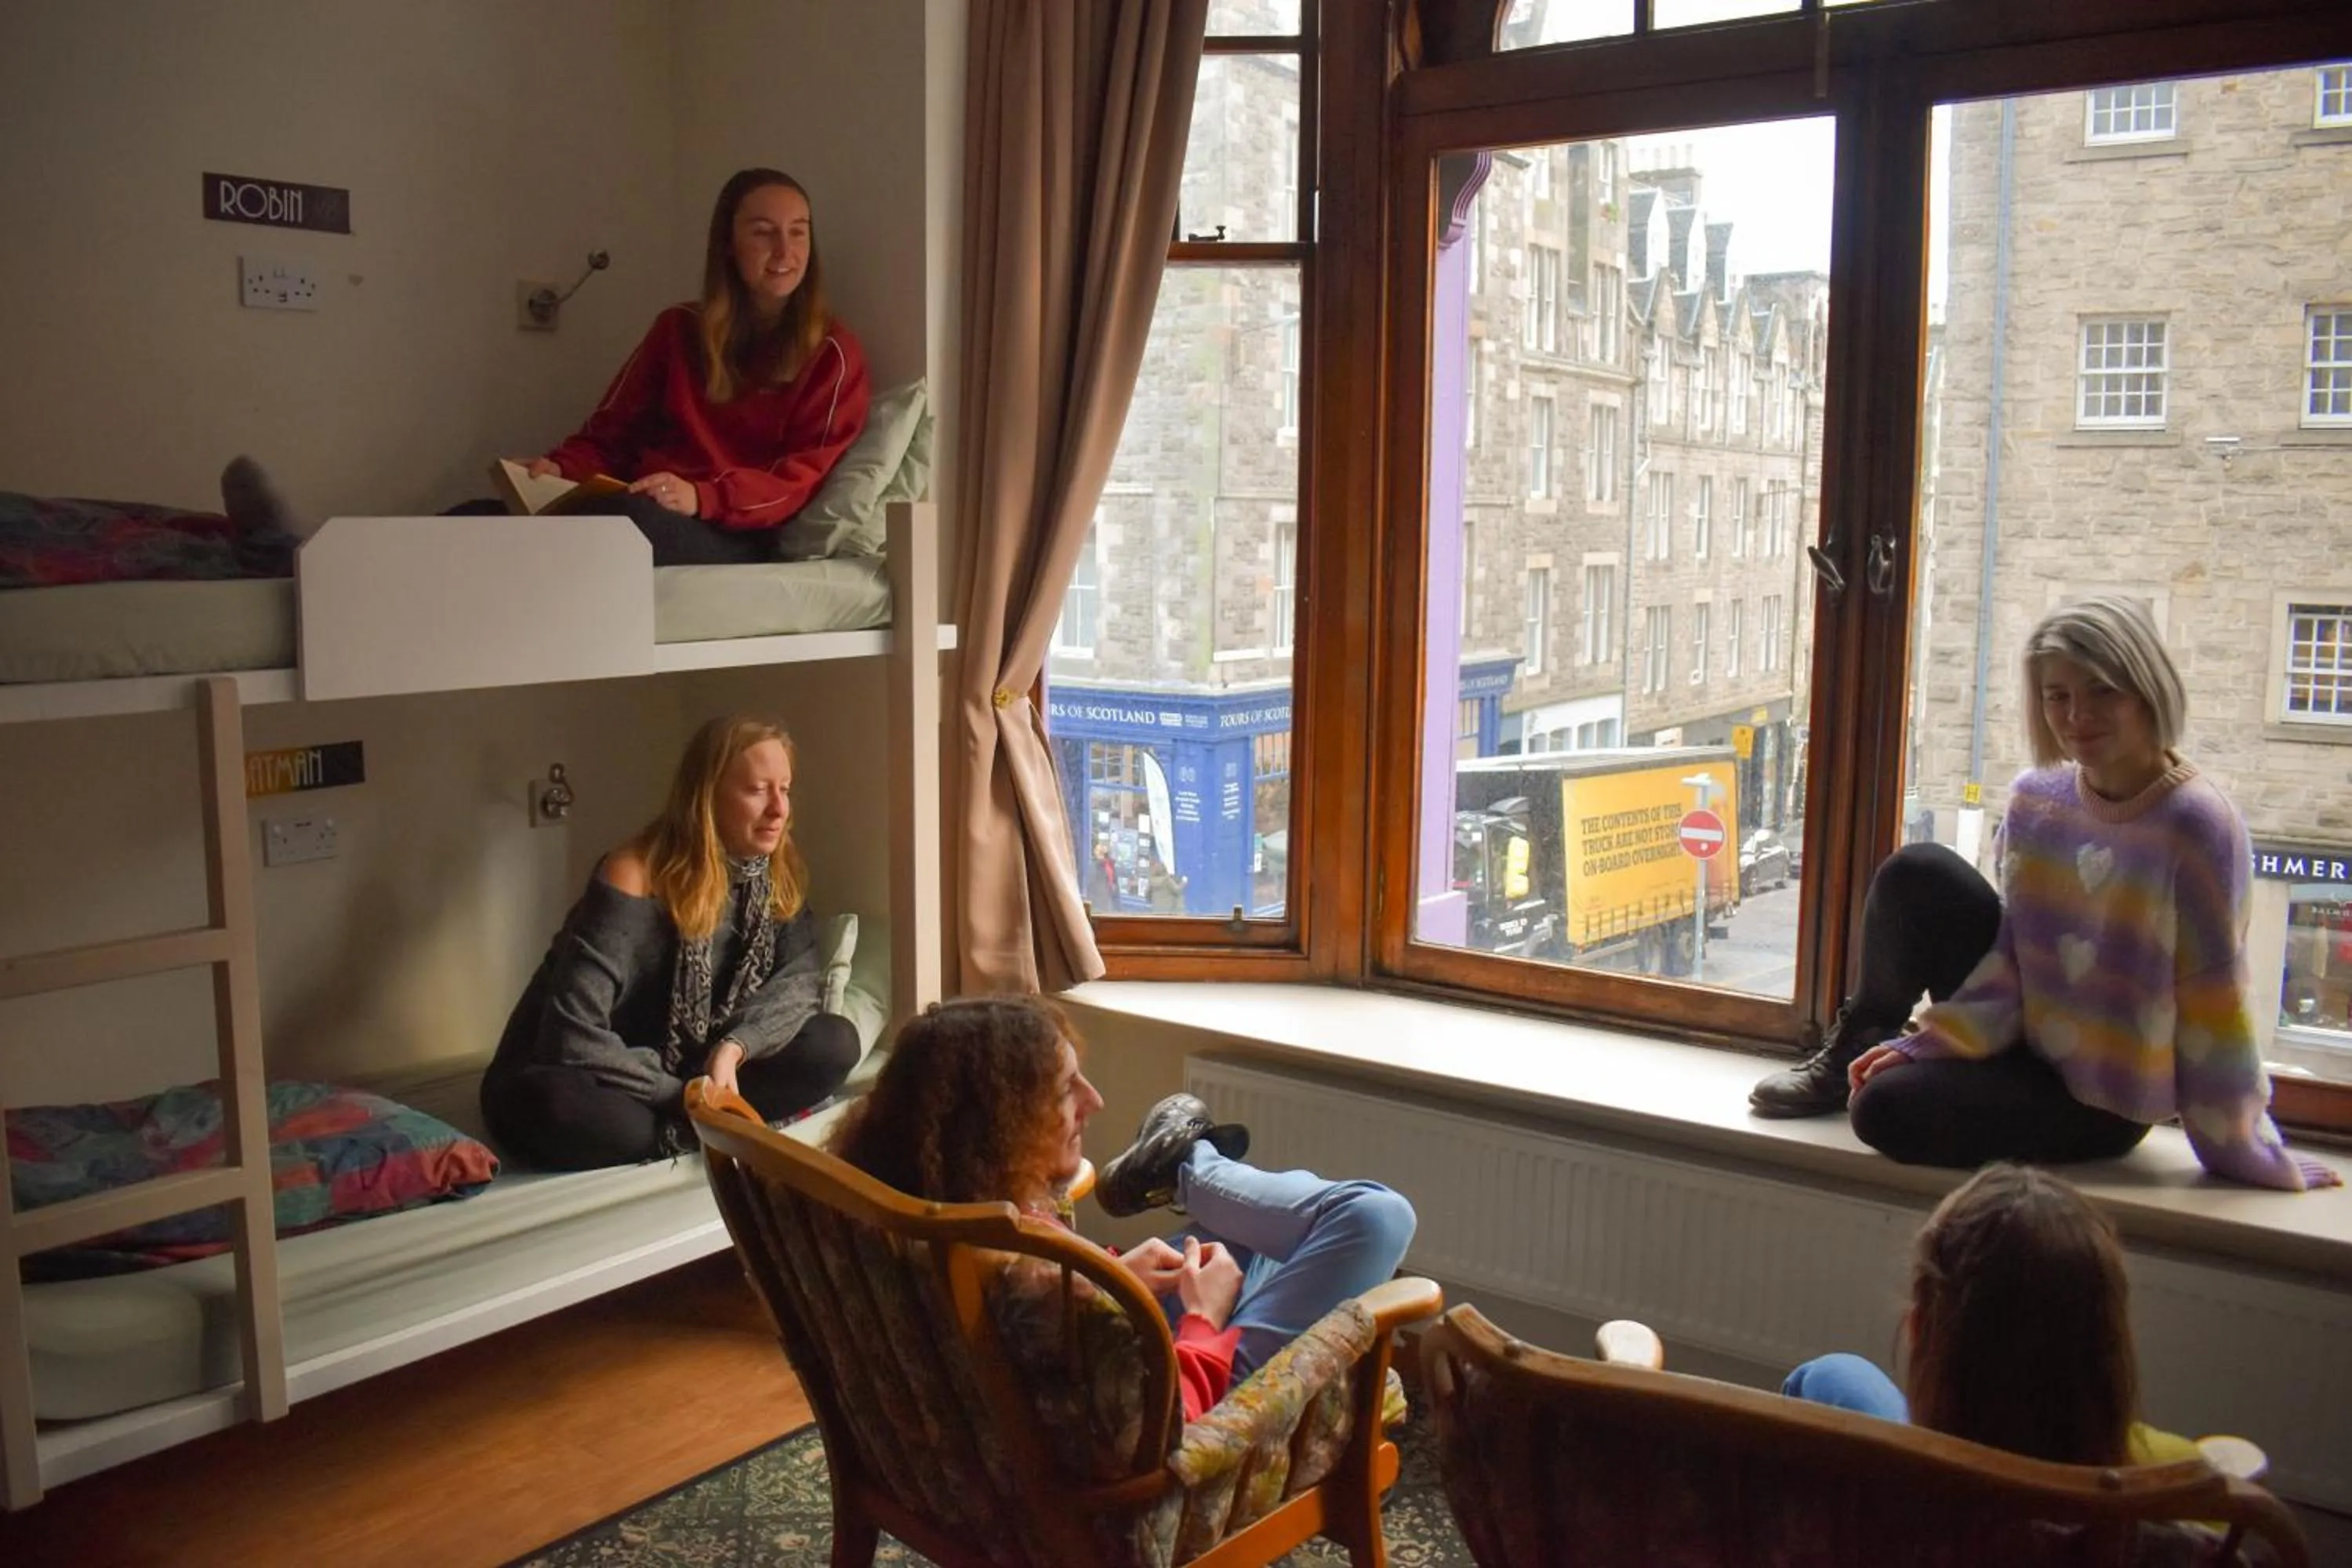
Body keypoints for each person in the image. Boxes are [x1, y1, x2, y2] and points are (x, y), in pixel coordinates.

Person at [1750, 595, 2339, 1194]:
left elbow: (2216, 1002)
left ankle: (1895, 1075)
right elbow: (2016, 954)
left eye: (2103, 691)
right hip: (2023, 1034)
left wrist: (2239, 1145)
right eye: (2057, 696)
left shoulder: (2197, 825)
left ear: (2147, 688)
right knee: (1917, 872)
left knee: (1882, 1110)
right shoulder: (2037, 797)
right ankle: (1864, 1040)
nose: (2077, 715)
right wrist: (1932, 1043)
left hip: (2103, 1095)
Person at [829, 995, 1417, 1420]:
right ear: (995, 1127)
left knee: (1236, 1243)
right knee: (1374, 1218)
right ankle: (1191, 1166)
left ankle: (1191, 1167)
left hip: (1042, 1403)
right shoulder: (1027, 1275)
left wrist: (1109, 1274)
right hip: (1201, 1404)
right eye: (1065, 1089)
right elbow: (1174, 1423)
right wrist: (1202, 1319)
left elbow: (1054, 1314)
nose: (1095, 1100)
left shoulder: (903, 1211)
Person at [481, 715, 859, 1168]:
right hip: (586, 1072)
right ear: (707, 797)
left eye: (786, 789)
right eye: (758, 790)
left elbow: (796, 983)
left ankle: (694, 1124)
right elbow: (571, 1036)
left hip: (690, 1070)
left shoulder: (771, 868)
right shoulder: (633, 875)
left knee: (834, 1042)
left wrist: (734, 1049)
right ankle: (698, 1127)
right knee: (557, 1104)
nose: (779, 809)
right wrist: (684, 1095)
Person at [507, 168, 870, 566]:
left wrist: (701, 497)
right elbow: (612, 434)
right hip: (648, 502)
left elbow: (800, 480)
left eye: (798, 231)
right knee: (477, 517)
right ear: (729, 244)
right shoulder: (677, 328)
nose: (785, 251)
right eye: (764, 232)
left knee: (622, 520)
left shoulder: (832, 354)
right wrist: (559, 468)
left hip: (735, 529)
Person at [1783, 1163, 2200, 1470]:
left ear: (1918, 1330)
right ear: (2110, 1348)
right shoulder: (2182, 1504)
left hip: (1927, 1482)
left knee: (1828, 1374)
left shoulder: (1866, 1509)